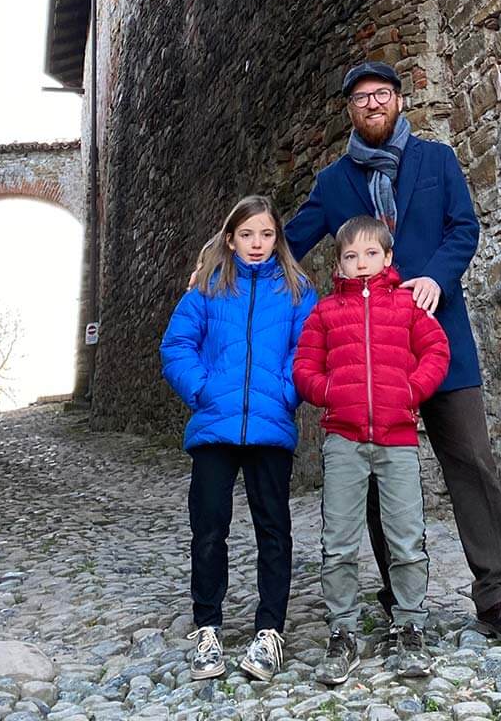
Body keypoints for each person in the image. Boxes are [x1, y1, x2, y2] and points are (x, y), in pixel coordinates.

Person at [284, 60, 501, 644]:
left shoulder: (437, 162)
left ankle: (495, 594)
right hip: (366, 361)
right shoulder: (332, 183)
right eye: (361, 98)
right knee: (372, 474)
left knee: (471, 458)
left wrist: (435, 279)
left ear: (400, 101)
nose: (372, 104)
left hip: (436, 337)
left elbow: (462, 229)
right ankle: (399, 592)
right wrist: (231, 257)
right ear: (350, 109)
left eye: (382, 94)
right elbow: (290, 245)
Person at [161, 195, 317, 684]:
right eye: (247, 235)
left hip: (270, 428)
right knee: (209, 529)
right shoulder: (208, 289)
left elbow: (308, 347)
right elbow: (176, 346)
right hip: (215, 427)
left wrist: (287, 394)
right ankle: (207, 627)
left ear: (278, 239)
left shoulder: (296, 291)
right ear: (230, 239)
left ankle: (269, 630)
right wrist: (203, 389)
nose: (257, 244)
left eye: (266, 234)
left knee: (274, 530)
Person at [294, 214, 451, 684]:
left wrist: (409, 390)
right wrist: (330, 392)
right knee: (338, 542)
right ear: (338, 265)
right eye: (349, 256)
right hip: (343, 440)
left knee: (406, 538)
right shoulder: (324, 313)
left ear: (387, 258)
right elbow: (303, 366)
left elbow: (437, 352)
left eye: (370, 254)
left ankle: (409, 625)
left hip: (397, 438)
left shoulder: (406, 307)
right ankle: (342, 631)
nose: (360, 263)